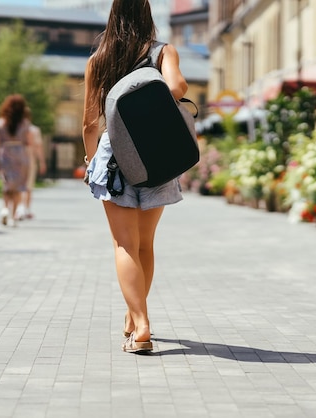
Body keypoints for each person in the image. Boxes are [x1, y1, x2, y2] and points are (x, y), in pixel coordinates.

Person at [82, 0, 188, 353]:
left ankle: (139, 324)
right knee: (145, 245)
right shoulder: (163, 52)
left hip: (114, 156)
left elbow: (89, 122)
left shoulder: (98, 61)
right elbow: (178, 89)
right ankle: (135, 317)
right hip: (156, 152)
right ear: (147, 15)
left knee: (124, 245)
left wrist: (91, 158)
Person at [0, 94, 34, 227]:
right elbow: (27, 142)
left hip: (5, 155)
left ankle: (4, 209)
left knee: (7, 185)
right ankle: (13, 217)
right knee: (18, 187)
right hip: (20, 155)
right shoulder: (25, 124)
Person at [17, 107, 46, 220]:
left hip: (17, 160)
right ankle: (26, 209)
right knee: (28, 185)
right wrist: (42, 162)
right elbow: (38, 147)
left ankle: (19, 208)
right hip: (30, 160)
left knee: (19, 184)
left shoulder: (15, 129)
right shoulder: (34, 130)